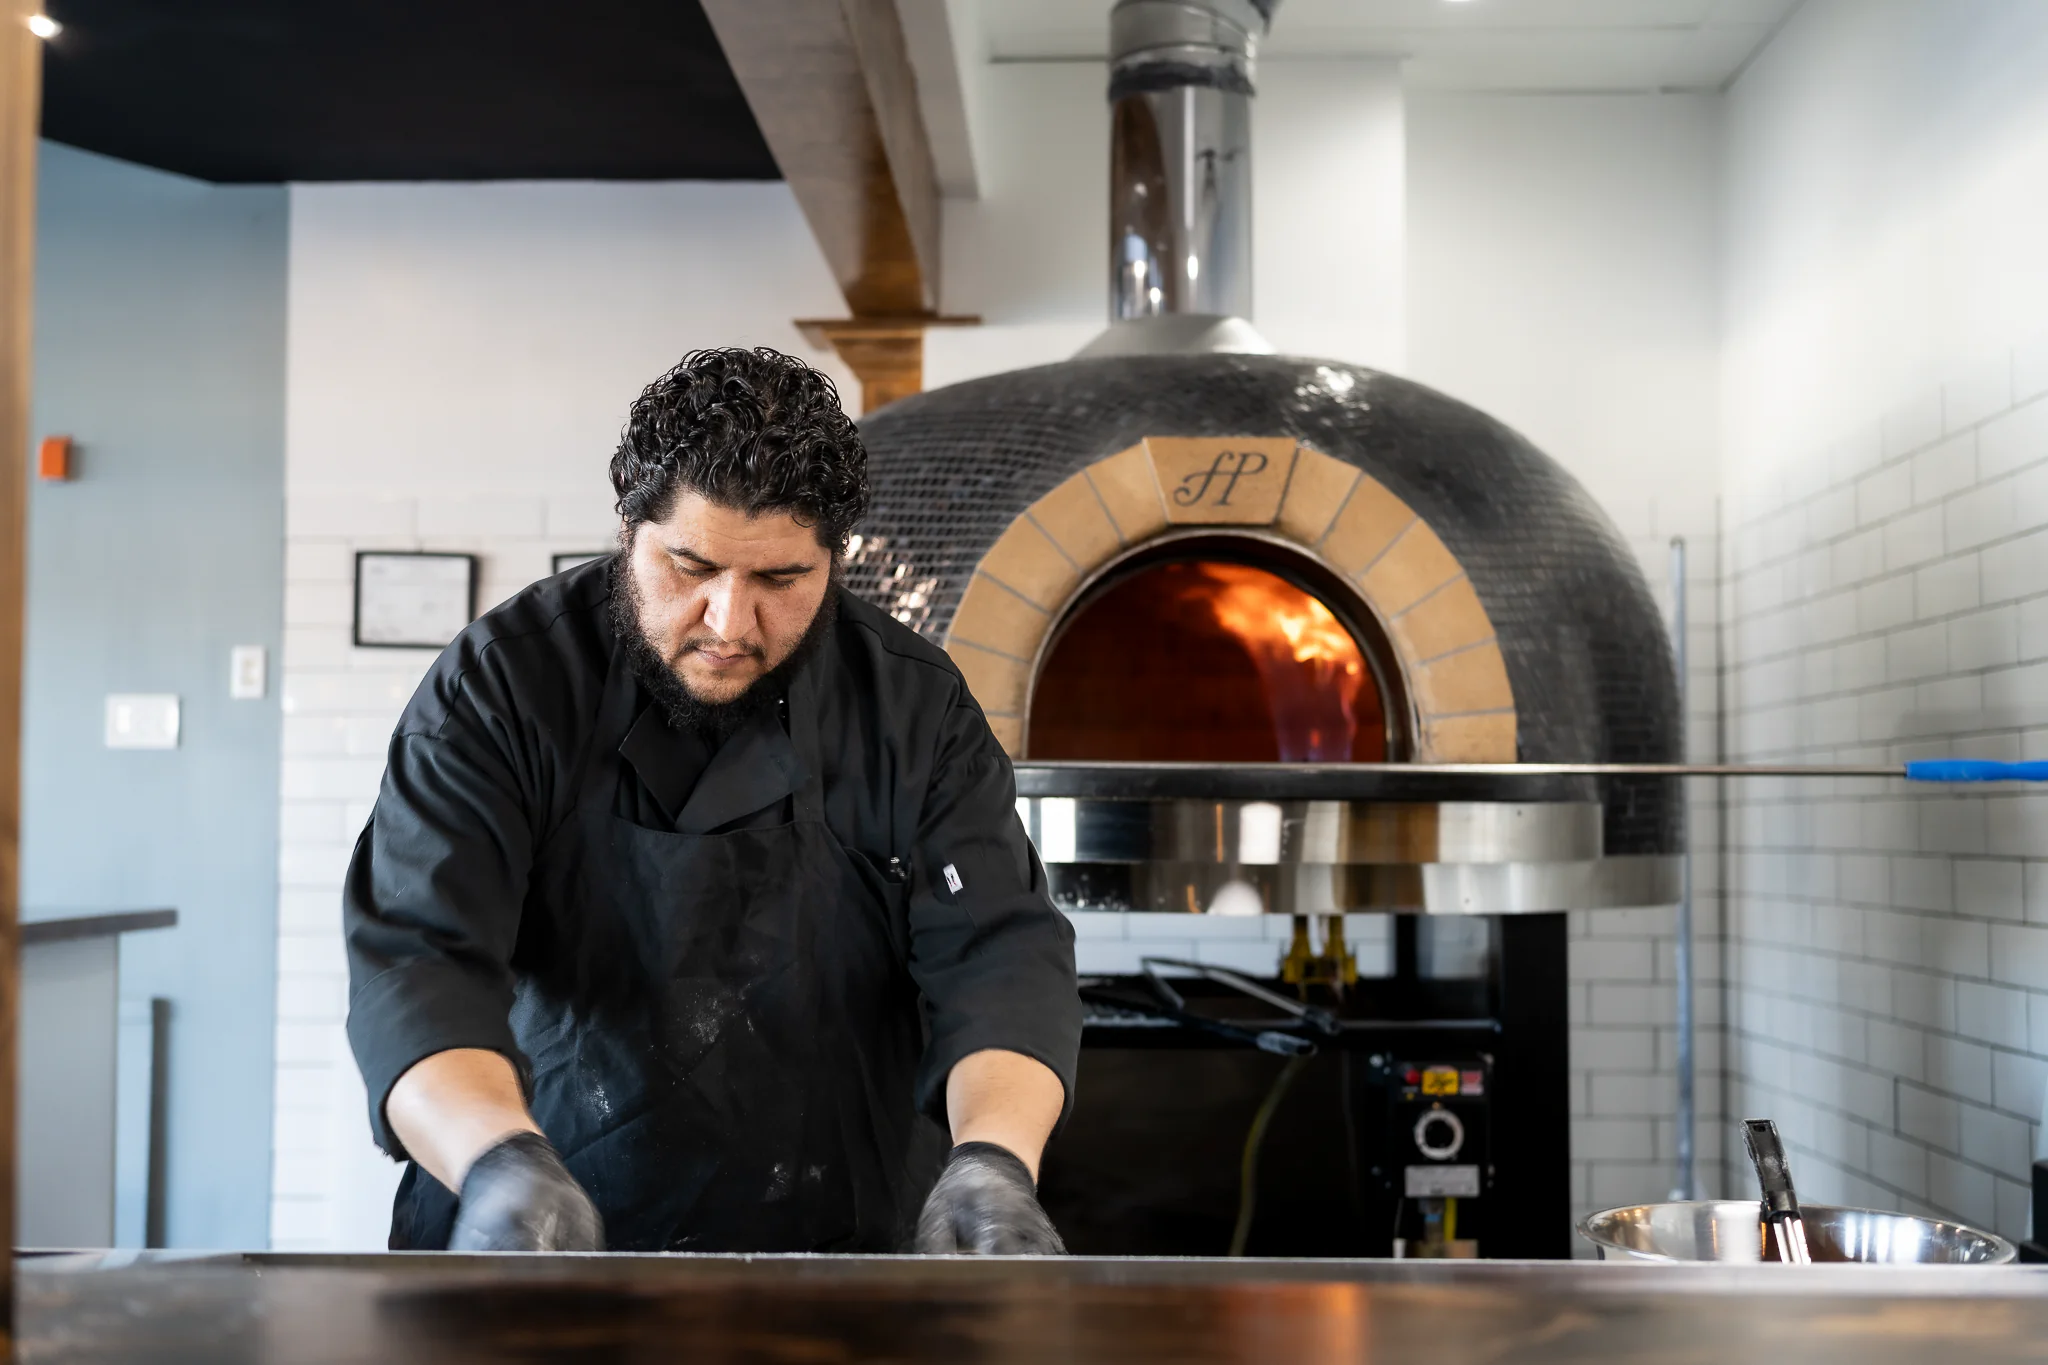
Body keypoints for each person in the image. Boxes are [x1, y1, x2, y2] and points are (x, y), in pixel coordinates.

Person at [343, 347, 1080, 1254]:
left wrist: (995, 1161)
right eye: (691, 567)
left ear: (834, 558)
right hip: (537, 1240)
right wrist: (496, 1164)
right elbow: (420, 958)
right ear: (629, 527)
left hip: (842, 1253)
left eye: (780, 580)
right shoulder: (503, 687)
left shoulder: (913, 707)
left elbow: (999, 954)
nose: (730, 622)